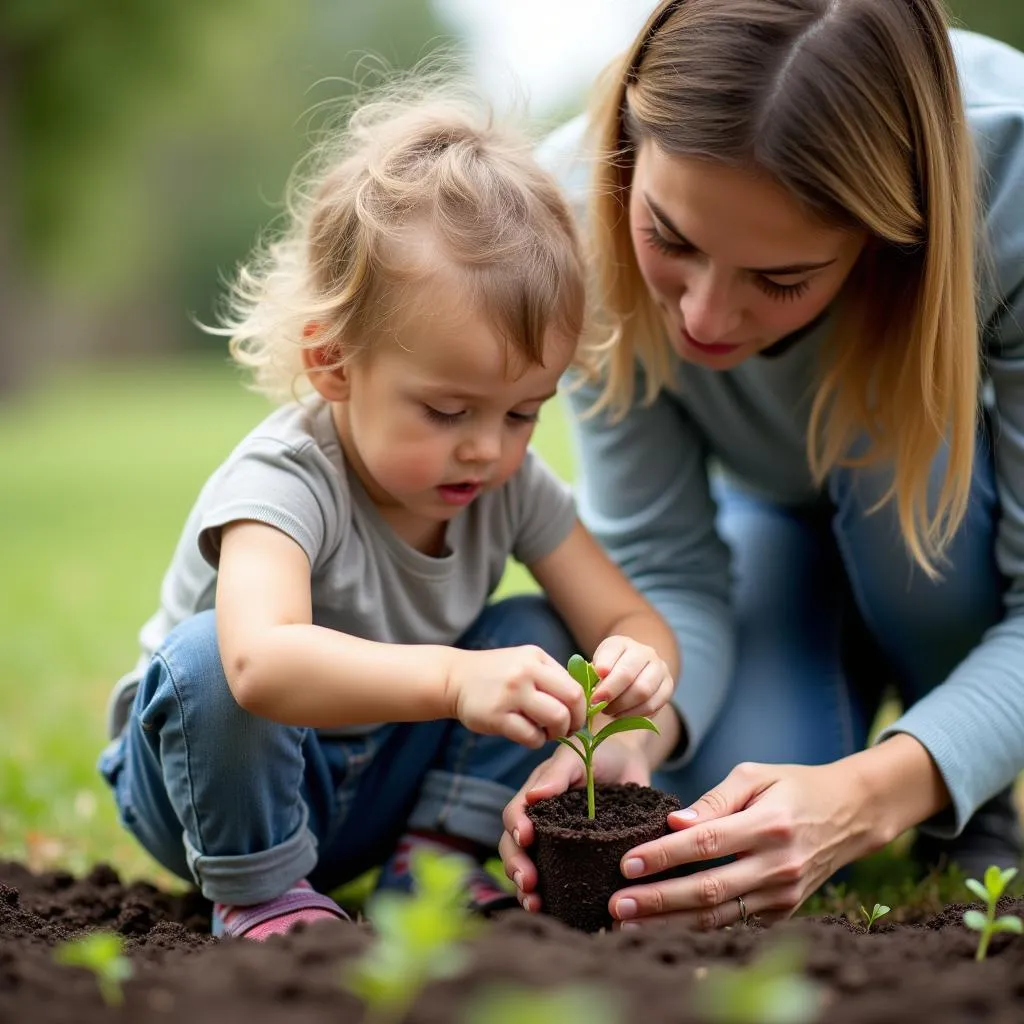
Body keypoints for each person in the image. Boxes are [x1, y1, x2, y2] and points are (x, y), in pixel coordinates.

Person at [97, 82, 679, 940]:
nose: (487, 448)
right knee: (208, 659)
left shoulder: (506, 487)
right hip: (208, 788)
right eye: (448, 412)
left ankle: (433, 863)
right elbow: (258, 666)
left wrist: (635, 662)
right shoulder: (282, 481)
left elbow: (626, 615)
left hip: (374, 782)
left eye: (523, 412)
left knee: (541, 628)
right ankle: (259, 895)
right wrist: (455, 680)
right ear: (334, 364)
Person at [500, 0, 1024, 930]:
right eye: (670, 238)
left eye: (782, 280)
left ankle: (967, 803)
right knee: (724, 810)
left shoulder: (1010, 191)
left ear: (891, 232)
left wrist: (872, 795)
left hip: (944, 528)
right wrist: (629, 739)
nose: (702, 319)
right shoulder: (569, 209)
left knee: (899, 506)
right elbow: (665, 565)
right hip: (767, 531)